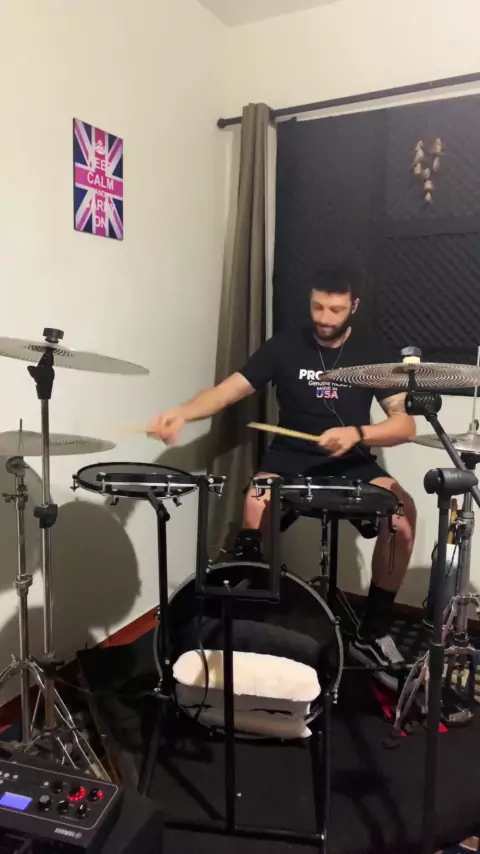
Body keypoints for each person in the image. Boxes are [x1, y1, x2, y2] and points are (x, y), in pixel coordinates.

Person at [147, 267, 417, 689]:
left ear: (354, 306)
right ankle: (263, 611)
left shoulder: (373, 351)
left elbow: (405, 425)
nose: (325, 318)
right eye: (318, 307)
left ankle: (374, 631)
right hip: (290, 457)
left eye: (335, 309)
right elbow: (227, 391)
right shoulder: (286, 345)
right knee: (256, 500)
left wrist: (358, 433)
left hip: (351, 459)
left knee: (402, 516)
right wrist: (182, 412)